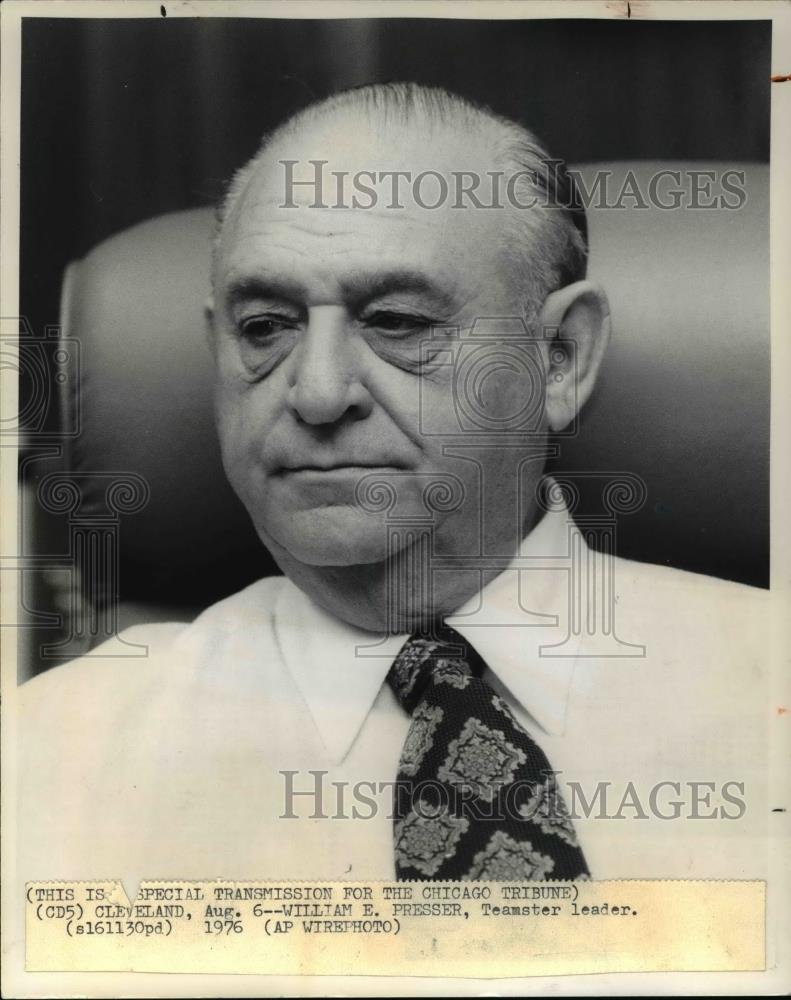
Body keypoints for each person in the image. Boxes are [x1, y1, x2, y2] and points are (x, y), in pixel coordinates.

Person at [17, 84, 768, 885]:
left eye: (398, 322)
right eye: (265, 327)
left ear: (558, 360)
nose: (314, 392)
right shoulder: (52, 755)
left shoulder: (768, 683)